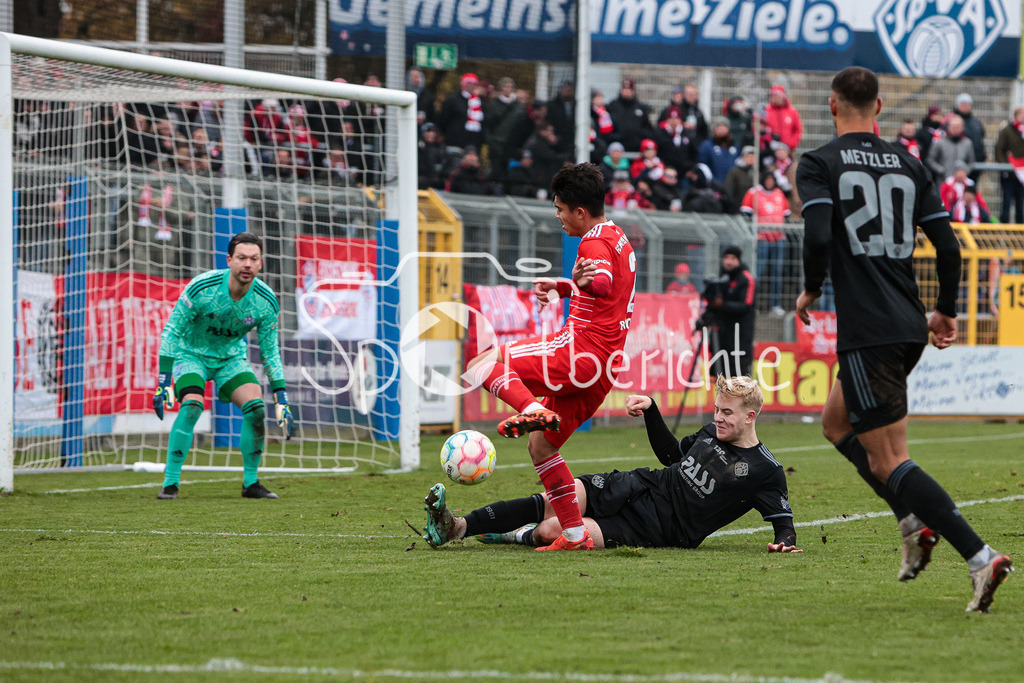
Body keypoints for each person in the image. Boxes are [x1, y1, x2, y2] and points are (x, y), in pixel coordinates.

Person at [795, 66, 1012, 613]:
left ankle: (980, 555)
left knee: (889, 460)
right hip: (907, 321)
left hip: (869, 330)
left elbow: (819, 233)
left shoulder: (820, 162)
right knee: (835, 424)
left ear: (832, 105)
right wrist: (943, 310)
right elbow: (951, 248)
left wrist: (811, 289)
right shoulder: (910, 163)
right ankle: (912, 522)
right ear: (881, 106)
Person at [457, 162, 637, 551]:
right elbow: (605, 284)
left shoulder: (592, 242)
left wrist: (591, 284)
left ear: (580, 212)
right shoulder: (617, 236)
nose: (557, 216)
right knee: (542, 446)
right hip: (603, 369)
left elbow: (603, 282)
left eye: (560, 208)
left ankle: (531, 408)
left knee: (479, 364)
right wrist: (566, 286)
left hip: (578, 351)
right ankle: (574, 536)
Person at [422, 376, 801, 553]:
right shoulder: (710, 433)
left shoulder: (765, 470)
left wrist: (784, 544)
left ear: (751, 416)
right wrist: (652, 411)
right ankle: (457, 527)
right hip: (641, 485)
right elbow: (672, 458)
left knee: (550, 531)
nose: (718, 418)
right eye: (717, 409)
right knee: (556, 496)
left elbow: (785, 526)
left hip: (659, 527)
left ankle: (510, 533)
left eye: (728, 413)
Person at [152, 232, 294, 500]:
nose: (247, 264)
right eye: (241, 258)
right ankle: (170, 483)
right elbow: (171, 332)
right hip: (190, 354)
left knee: (255, 409)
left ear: (260, 264)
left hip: (230, 358)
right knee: (192, 404)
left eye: (253, 259)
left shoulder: (266, 301)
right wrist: (163, 381)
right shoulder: (201, 288)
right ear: (229, 260)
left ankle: (251, 483)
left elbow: (270, 350)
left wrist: (281, 396)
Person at [702, 246, 755, 377]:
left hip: (740, 337)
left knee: (739, 378)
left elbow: (745, 306)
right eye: (726, 258)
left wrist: (721, 305)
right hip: (721, 335)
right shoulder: (722, 278)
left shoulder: (746, 279)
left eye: (732, 258)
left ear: (739, 260)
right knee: (720, 376)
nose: (728, 262)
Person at [606, 78, 655, 152]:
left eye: (629, 89)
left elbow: (647, 127)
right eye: (625, 89)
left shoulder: (641, 108)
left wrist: (639, 135)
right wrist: (616, 136)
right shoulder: (612, 106)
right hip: (617, 149)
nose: (627, 92)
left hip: (636, 147)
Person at [993, 107, 1024, 224]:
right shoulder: (1007, 130)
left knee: (1020, 206)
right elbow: (999, 149)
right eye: (1021, 114)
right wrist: (1004, 166)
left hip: (1022, 176)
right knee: (1006, 204)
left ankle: (1019, 237)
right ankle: (1004, 236)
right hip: (1009, 174)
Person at [926, 115, 974, 182]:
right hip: (943, 180)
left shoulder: (967, 143)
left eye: (958, 127)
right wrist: (941, 170)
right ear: (948, 127)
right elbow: (930, 159)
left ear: (962, 128)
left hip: (961, 182)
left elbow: (971, 162)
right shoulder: (939, 142)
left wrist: (964, 172)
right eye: (953, 127)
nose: (955, 129)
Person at [951, 93, 985, 183]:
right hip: (956, 167)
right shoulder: (952, 119)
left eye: (967, 104)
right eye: (963, 104)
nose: (965, 107)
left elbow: (980, 140)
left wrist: (982, 157)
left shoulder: (976, 122)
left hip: (974, 164)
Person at [764, 84, 803, 153]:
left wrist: (791, 145)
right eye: (772, 95)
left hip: (788, 151)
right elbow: (762, 129)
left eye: (776, 95)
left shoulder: (792, 112)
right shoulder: (766, 111)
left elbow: (798, 130)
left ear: (783, 96)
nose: (774, 97)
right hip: (770, 150)